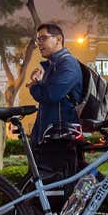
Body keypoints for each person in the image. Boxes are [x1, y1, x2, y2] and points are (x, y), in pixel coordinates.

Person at [26, 23, 84, 188]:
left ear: (58, 39)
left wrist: (34, 86)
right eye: (37, 40)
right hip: (50, 136)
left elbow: (51, 95)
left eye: (43, 38)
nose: (39, 44)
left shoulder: (68, 64)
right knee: (41, 189)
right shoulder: (54, 66)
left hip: (60, 137)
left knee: (56, 189)